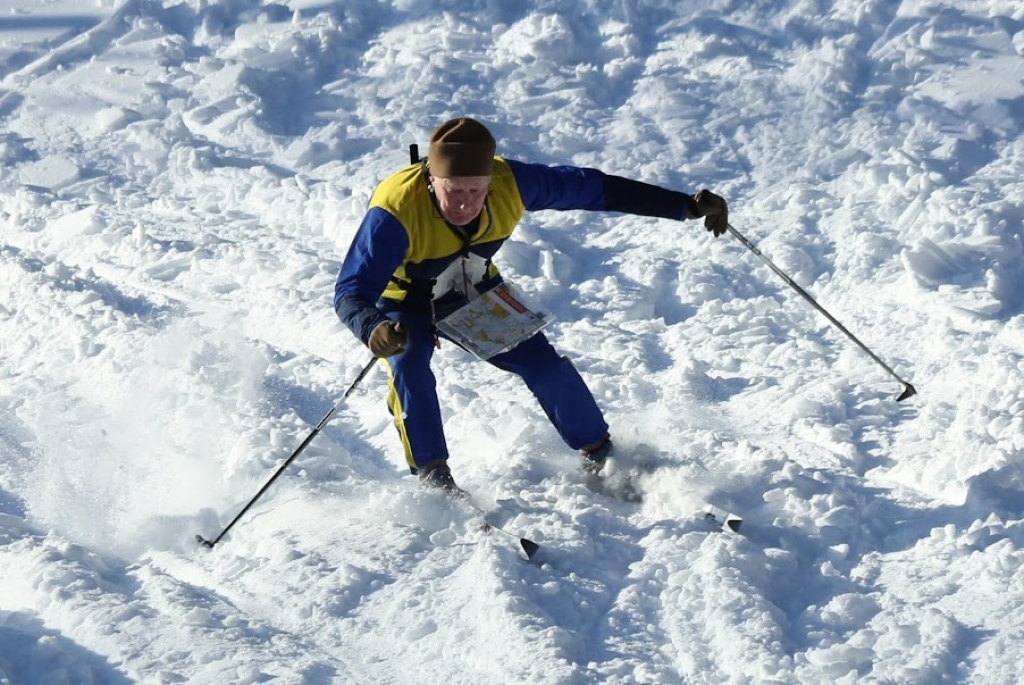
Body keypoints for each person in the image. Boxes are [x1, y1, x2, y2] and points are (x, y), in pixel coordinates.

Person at [334, 117, 728, 492]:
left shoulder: (512, 182)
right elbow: (350, 289)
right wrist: (373, 327)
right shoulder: (396, 210)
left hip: (472, 288)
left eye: (476, 191)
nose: (465, 204)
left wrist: (684, 206)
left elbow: (594, 189)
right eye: (454, 190)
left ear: (490, 182)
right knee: (408, 366)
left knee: (543, 364)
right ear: (432, 179)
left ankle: (600, 453)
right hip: (404, 304)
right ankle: (433, 475)